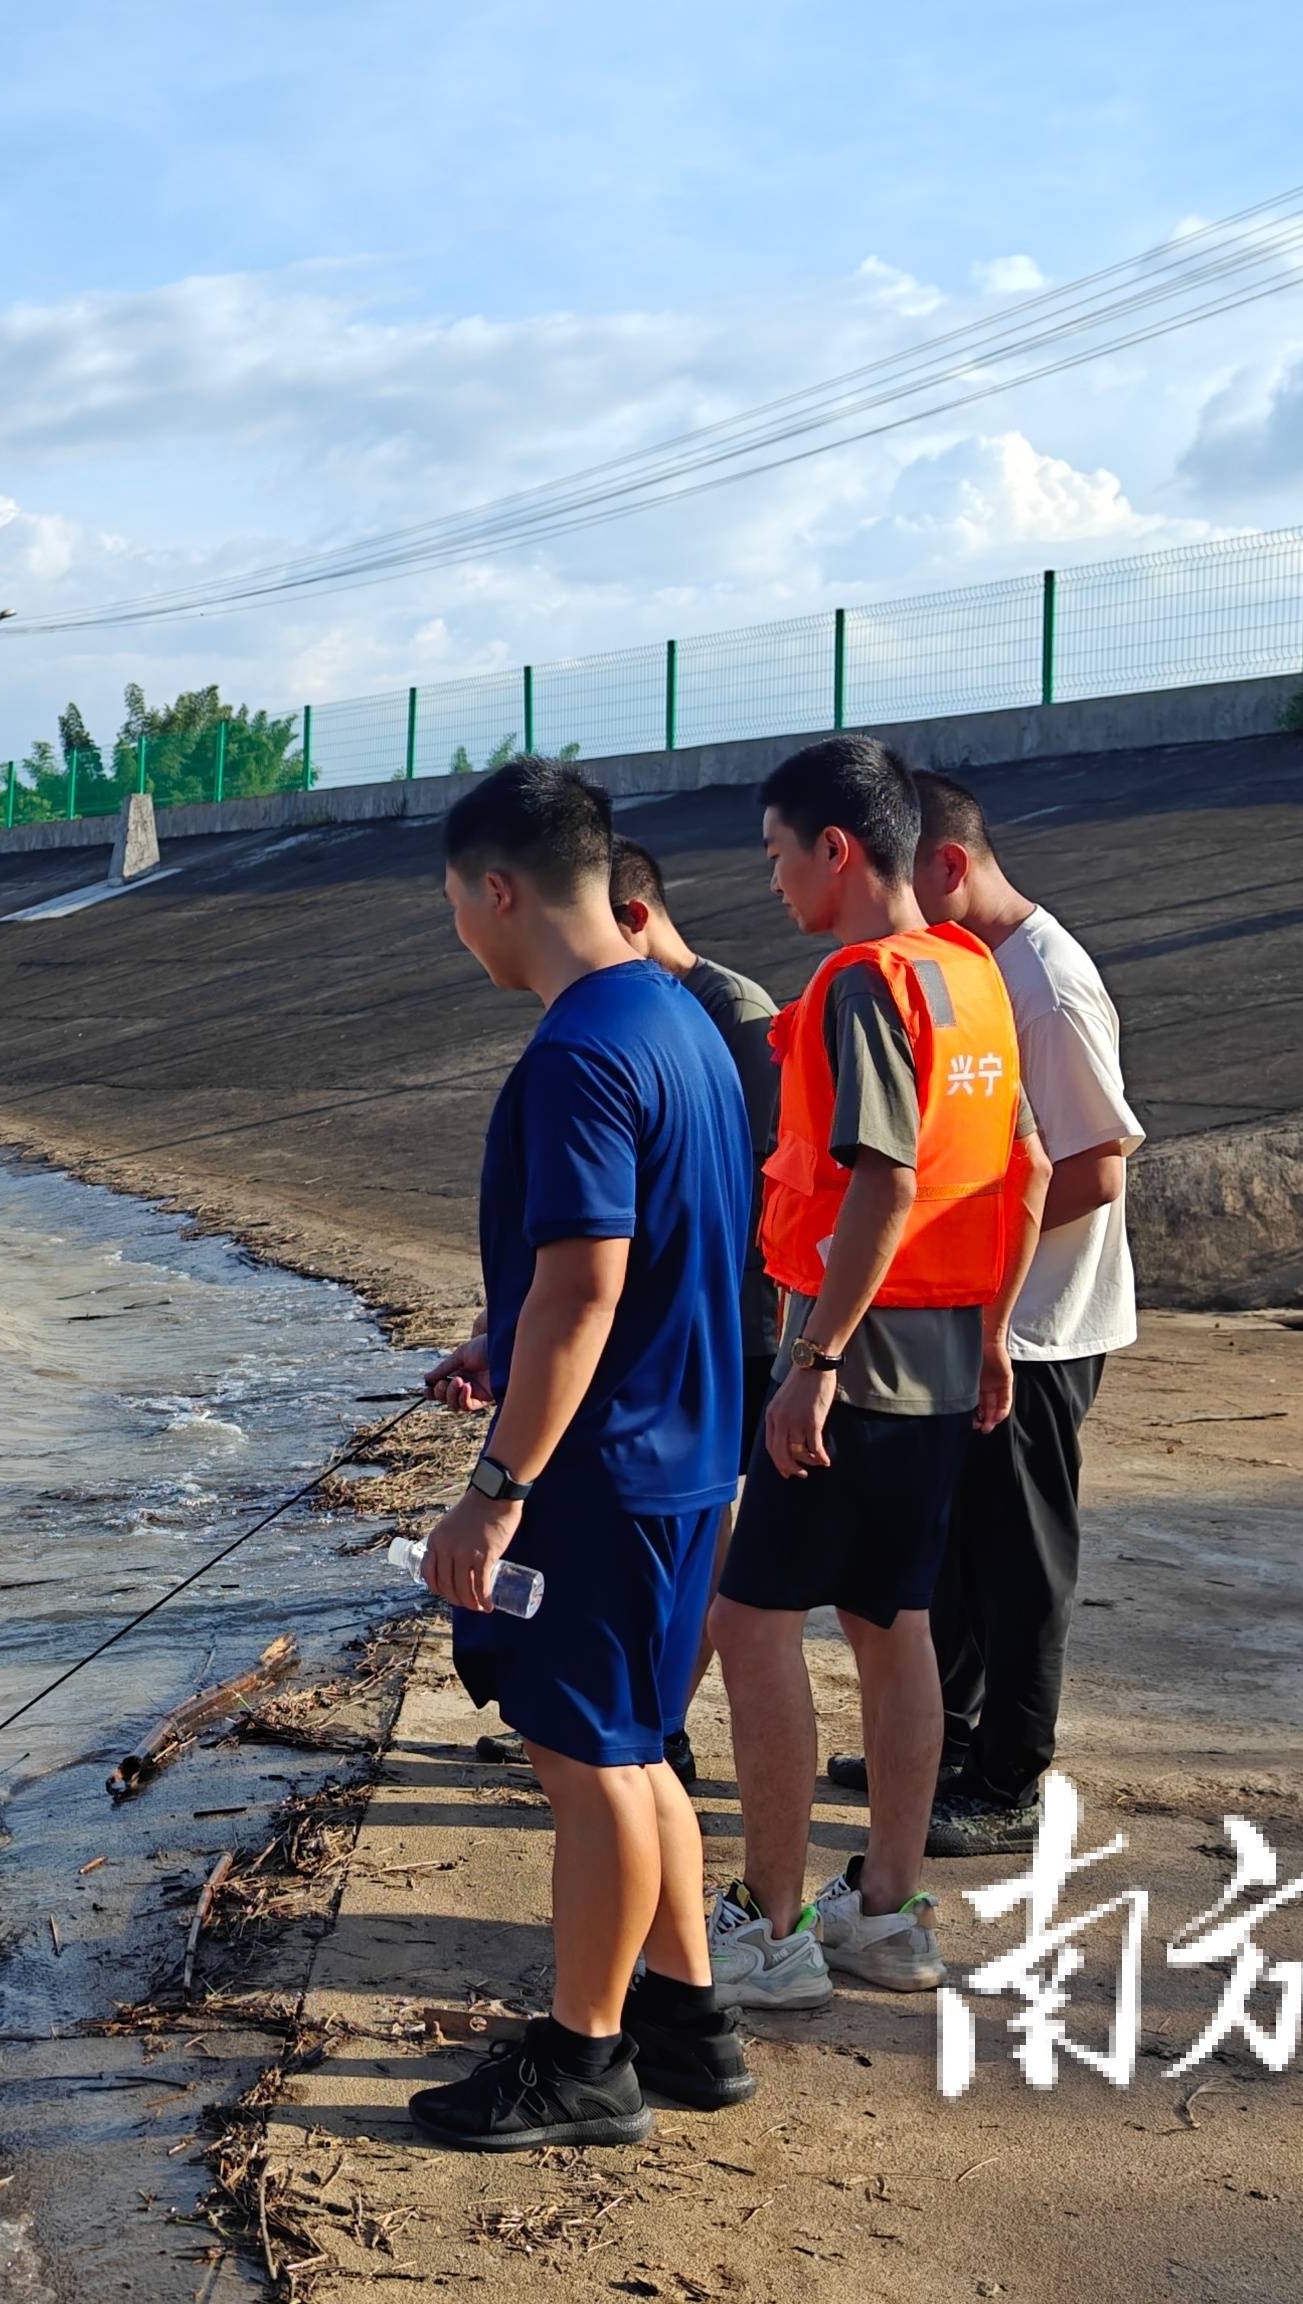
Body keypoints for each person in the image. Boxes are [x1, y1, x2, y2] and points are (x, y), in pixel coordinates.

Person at [408, 765, 755, 2150]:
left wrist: (494, 1493)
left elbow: (586, 1290)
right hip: (682, 1451)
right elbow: (652, 1259)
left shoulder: (576, 1053)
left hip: (600, 1475)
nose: (461, 932)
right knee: (641, 1749)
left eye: (454, 906)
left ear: (498, 889)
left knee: (587, 1762)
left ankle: (585, 2057)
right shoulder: (679, 1019)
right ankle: (687, 2014)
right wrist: (510, 1341)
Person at [704, 736, 1045, 2012]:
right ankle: (887, 1913)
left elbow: (886, 1178)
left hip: (855, 1356)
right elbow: (1020, 1163)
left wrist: (815, 1359)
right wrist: (997, 1329)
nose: (775, 883)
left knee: (749, 1622)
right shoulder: (973, 977)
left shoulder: (861, 983)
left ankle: (774, 1927)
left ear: (834, 851)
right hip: (948, 1353)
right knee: (892, 1624)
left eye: (778, 856)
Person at [897, 772, 1144, 1853]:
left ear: (947, 866)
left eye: (899, 880)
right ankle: (941, 1738)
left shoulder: (1043, 982)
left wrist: (963, 1252)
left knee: (1018, 1557)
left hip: (1039, 1326)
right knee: (952, 1548)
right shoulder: (973, 968)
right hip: (983, 1314)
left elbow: (1096, 1167)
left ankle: (1010, 1780)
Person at [609, 836, 785, 1778]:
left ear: (636, 918)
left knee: (704, 1523)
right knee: (677, 1524)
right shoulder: (656, 1007)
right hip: (680, 1311)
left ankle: (663, 1721)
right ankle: (641, 1711)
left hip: (735, 1318)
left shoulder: (736, 1016)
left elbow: (750, 1187)